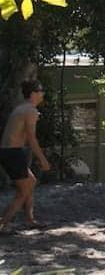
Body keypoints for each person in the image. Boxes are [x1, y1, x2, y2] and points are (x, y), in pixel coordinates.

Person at [0, 80, 51, 233]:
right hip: (12, 152)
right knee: (24, 190)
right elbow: (31, 138)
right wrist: (43, 159)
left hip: (10, 152)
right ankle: (3, 223)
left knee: (30, 182)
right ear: (33, 93)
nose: (43, 94)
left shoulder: (22, 108)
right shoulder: (30, 110)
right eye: (41, 91)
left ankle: (29, 220)